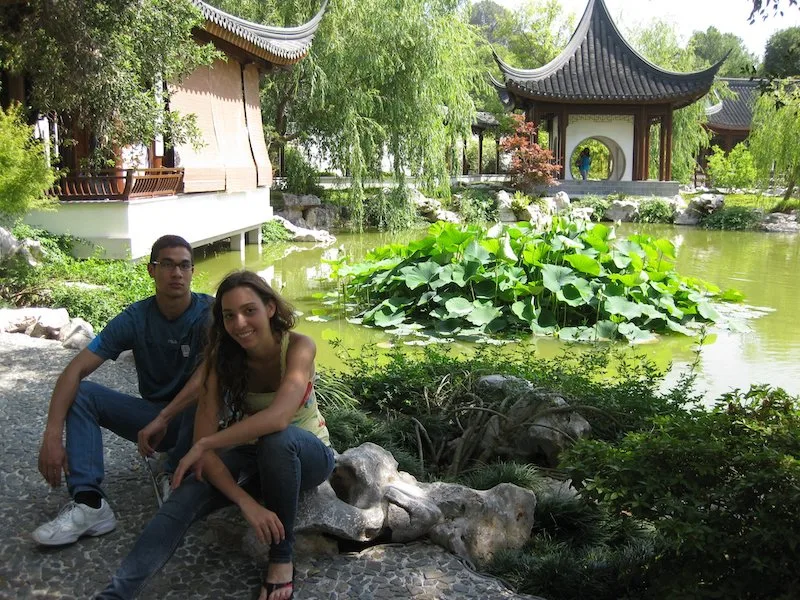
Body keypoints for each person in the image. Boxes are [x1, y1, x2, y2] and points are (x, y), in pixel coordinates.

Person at [96, 270, 334, 600]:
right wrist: (245, 502)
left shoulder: (298, 347)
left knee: (277, 440)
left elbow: (278, 418)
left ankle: (281, 557)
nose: (239, 323)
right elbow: (204, 454)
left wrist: (207, 443)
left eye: (249, 310)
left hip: (306, 456)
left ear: (269, 308)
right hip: (252, 458)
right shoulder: (219, 362)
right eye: (229, 315)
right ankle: (115, 594)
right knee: (185, 492)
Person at [33, 234, 214, 547]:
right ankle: (90, 504)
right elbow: (74, 370)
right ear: (151, 271)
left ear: (193, 272)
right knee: (82, 392)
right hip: (155, 421)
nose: (177, 273)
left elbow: (211, 374)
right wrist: (51, 436)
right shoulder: (136, 318)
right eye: (167, 265)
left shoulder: (209, 315)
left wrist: (166, 416)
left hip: (201, 422)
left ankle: (176, 477)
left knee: (208, 389)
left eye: (185, 266)